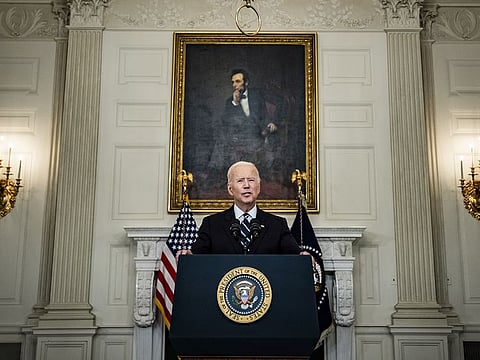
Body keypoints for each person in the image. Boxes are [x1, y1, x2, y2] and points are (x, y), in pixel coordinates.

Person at [177, 161, 302, 257]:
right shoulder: (211, 224)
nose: (246, 185)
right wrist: (189, 256)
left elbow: (295, 258)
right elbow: (197, 259)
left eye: (251, 180)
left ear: (258, 187)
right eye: (240, 181)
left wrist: (303, 256)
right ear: (230, 189)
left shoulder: (277, 225)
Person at [208, 69, 281, 180]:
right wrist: (235, 103)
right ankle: (219, 176)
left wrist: (270, 123)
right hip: (238, 137)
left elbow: (264, 114)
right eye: (233, 82)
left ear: (246, 83)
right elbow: (227, 123)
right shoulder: (230, 102)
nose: (234, 85)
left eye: (237, 81)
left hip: (257, 135)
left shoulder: (257, 97)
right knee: (221, 143)